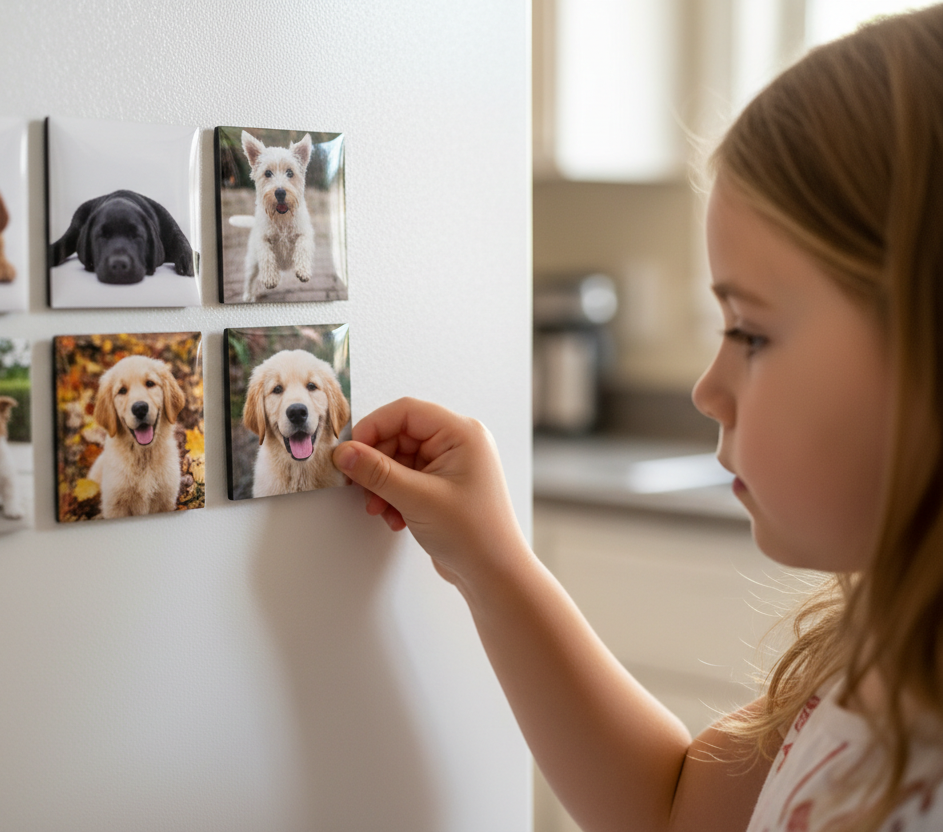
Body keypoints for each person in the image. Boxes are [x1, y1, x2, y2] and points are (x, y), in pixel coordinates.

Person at [332, 7, 943, 831]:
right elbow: (669, 809)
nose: (706, 389)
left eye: (751, 333)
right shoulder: (860, 664)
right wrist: (490, 559)